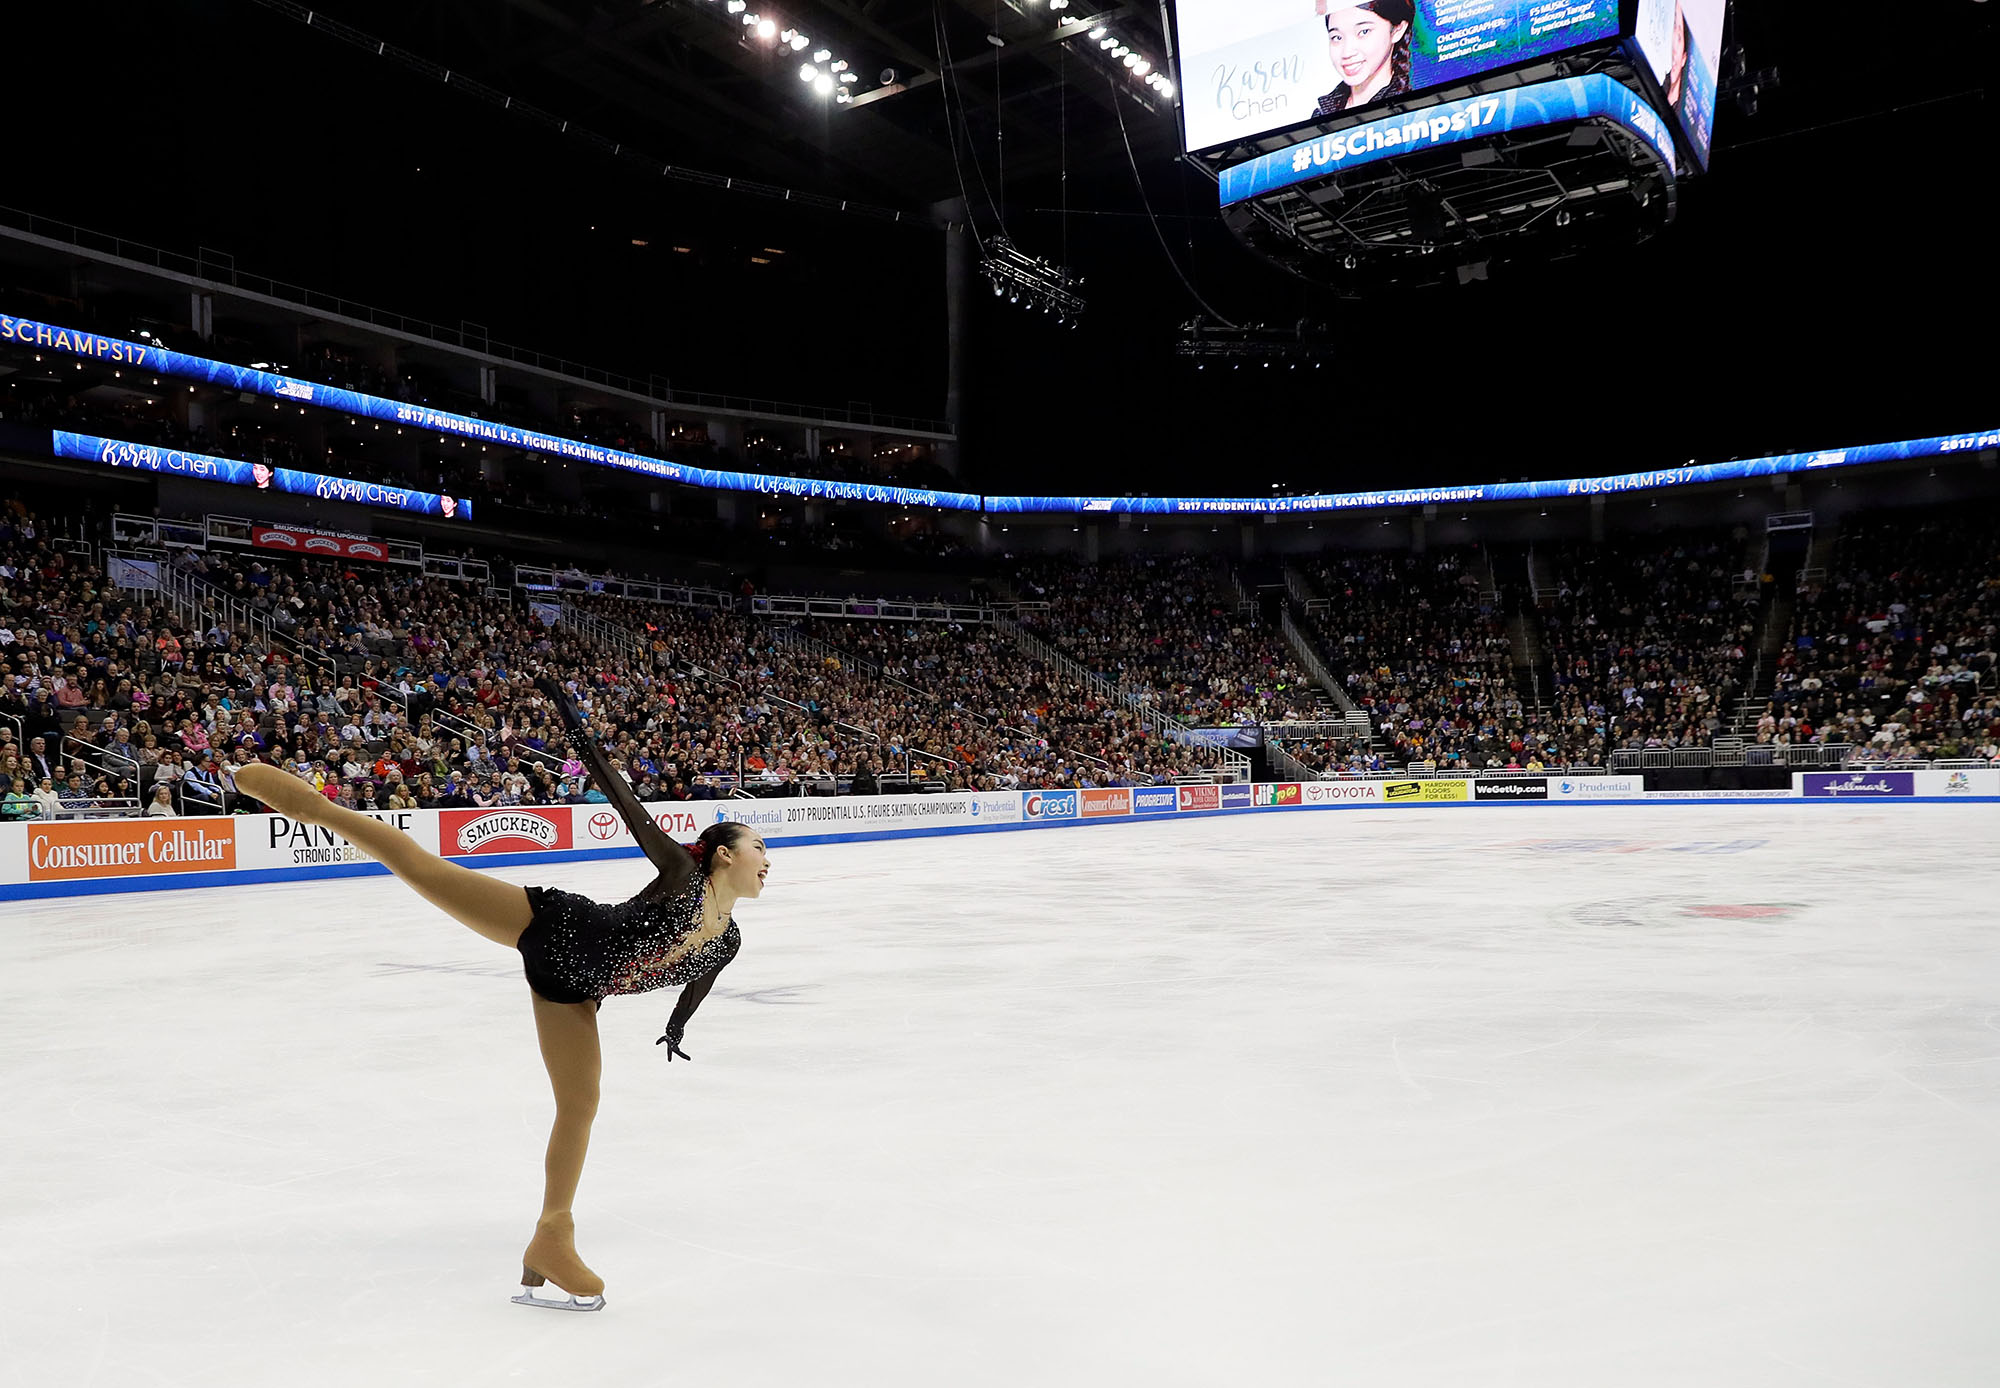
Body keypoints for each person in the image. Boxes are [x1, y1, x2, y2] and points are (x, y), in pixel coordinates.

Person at [232, 675, 770, 1314]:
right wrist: (572, 718)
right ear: (721, 857)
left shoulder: (726, 941)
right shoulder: (683, 879)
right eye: (758, 847)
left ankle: (550, 1239)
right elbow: (623, 798)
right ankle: (313, 807)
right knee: (421, 867)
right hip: (554, 926)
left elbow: (695, 987)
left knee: (580, 1105)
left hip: (574, 993)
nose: (768, 860)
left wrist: (677, 1028)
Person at [1314, 0, 1413, 117]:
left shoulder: (1411, 110)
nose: (1347, 52)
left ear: (1397, 30)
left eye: (1364, 32)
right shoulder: (1323, 112)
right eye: (1337, 37)